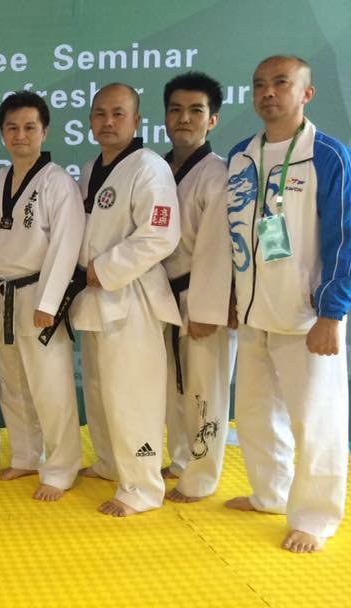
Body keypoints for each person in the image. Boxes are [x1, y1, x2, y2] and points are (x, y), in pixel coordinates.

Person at [226, 55, 351, 553]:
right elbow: (235, 234)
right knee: (255, 414)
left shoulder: (328, 156)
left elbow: (344, 240)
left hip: (307, 317)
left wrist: (332, 312)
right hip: (253, 311)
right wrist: (234, 298)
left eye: (281, 83)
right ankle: (270, 495)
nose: (268, 92)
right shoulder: (241, 155)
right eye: (259, 84)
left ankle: (316, 517)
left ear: (306, 93)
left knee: (315, 420)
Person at [72, 83, 181, 517]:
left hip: (132, 294)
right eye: (100, 113)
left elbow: (160, 235)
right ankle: (110, 462)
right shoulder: (91, 168)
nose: (108, 121)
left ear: (136, 120)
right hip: (95, 294)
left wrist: (103, 269)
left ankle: (142, 487)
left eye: (118, 113)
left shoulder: (149, 167)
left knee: (132, 393)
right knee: (100, 389)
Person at [0, 91, 84, 499]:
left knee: (50, 386)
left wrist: (49, 303)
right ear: (2, 134)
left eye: (29, 127)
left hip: (39, 293)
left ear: (45, 131)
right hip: (2, 293)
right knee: (13, 383)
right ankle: (25, 456)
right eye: (12, 127)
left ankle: (61, 468)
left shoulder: (58, 182)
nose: (20, 135)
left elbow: (66, 245)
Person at [158, 73, 235, 503]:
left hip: (201, 295)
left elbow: (217, 248)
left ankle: (202, 478)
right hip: (164, 294)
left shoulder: (216, 173)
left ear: (212, 119)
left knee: (205, 390)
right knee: (174, 387)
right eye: (175, 110)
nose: (184, 118)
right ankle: (180, 460)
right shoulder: (157, 168)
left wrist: (208, 309)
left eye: (195, 111)